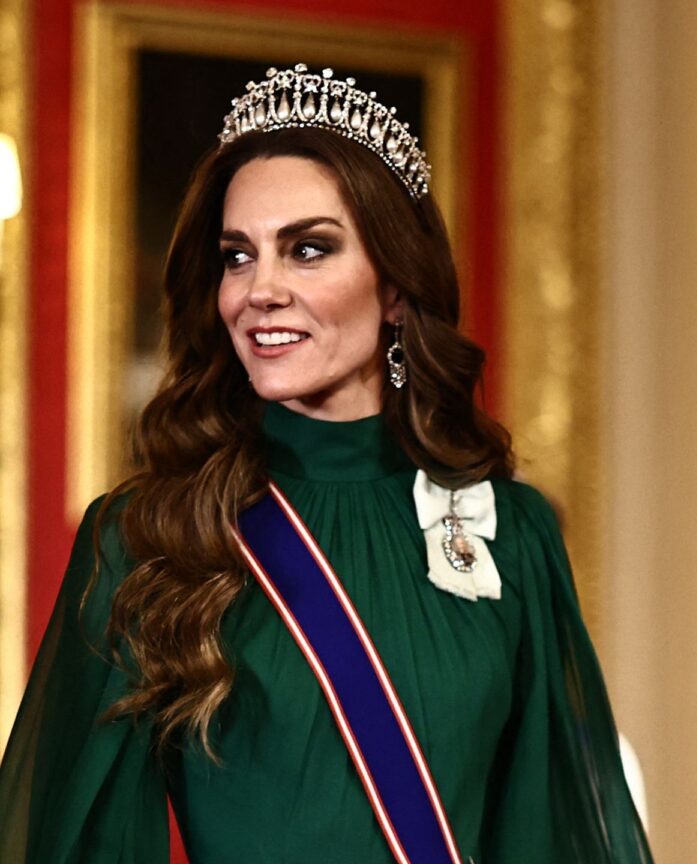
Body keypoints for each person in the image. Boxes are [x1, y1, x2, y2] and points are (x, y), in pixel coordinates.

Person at [0, 64, 652, 863]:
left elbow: (545, 835)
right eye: (238, 257)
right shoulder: (149, 533)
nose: (259, 289)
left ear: (397, 291)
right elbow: (80, 840)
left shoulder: (508, 532)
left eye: (307, 249)